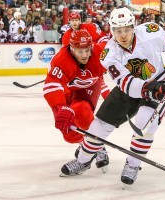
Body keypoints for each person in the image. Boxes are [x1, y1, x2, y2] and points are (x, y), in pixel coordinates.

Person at [59, 7, 165, 185]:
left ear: (134, 27)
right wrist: (153, 88)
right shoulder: (108, 54)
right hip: (132, 88)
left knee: (143, 126)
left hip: (160, 83)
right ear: (111, 30)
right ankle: (83, 161)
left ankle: (133, 165)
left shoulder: (151, 31)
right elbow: (127, 84)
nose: (123, 35)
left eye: (127, 29)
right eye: (118, 31)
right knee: (98, 126)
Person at [43, 29, 110, 172]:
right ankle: (87, 145)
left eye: (87, 50)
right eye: (80, 52)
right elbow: (51, 85)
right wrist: (60, 107)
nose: (85, 55)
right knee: (69, 132)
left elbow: (119, 57)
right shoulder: (62, 59)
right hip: (68, 91)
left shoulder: (101, 53)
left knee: (81, 111)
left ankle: (95, 147)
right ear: (72, 49)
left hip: (89, 87)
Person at [62, 11, 111, 99]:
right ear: (69, 21)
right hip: (79, 65)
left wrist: (101, 54)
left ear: (80, 20)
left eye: (76, 20)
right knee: (72, 87)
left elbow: (102, 38)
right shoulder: (66, 35)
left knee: (100, 83)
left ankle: (110, 102)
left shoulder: (89, 27)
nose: (75, 22)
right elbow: (67, 54)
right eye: (72, 20)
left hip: (92, 61)